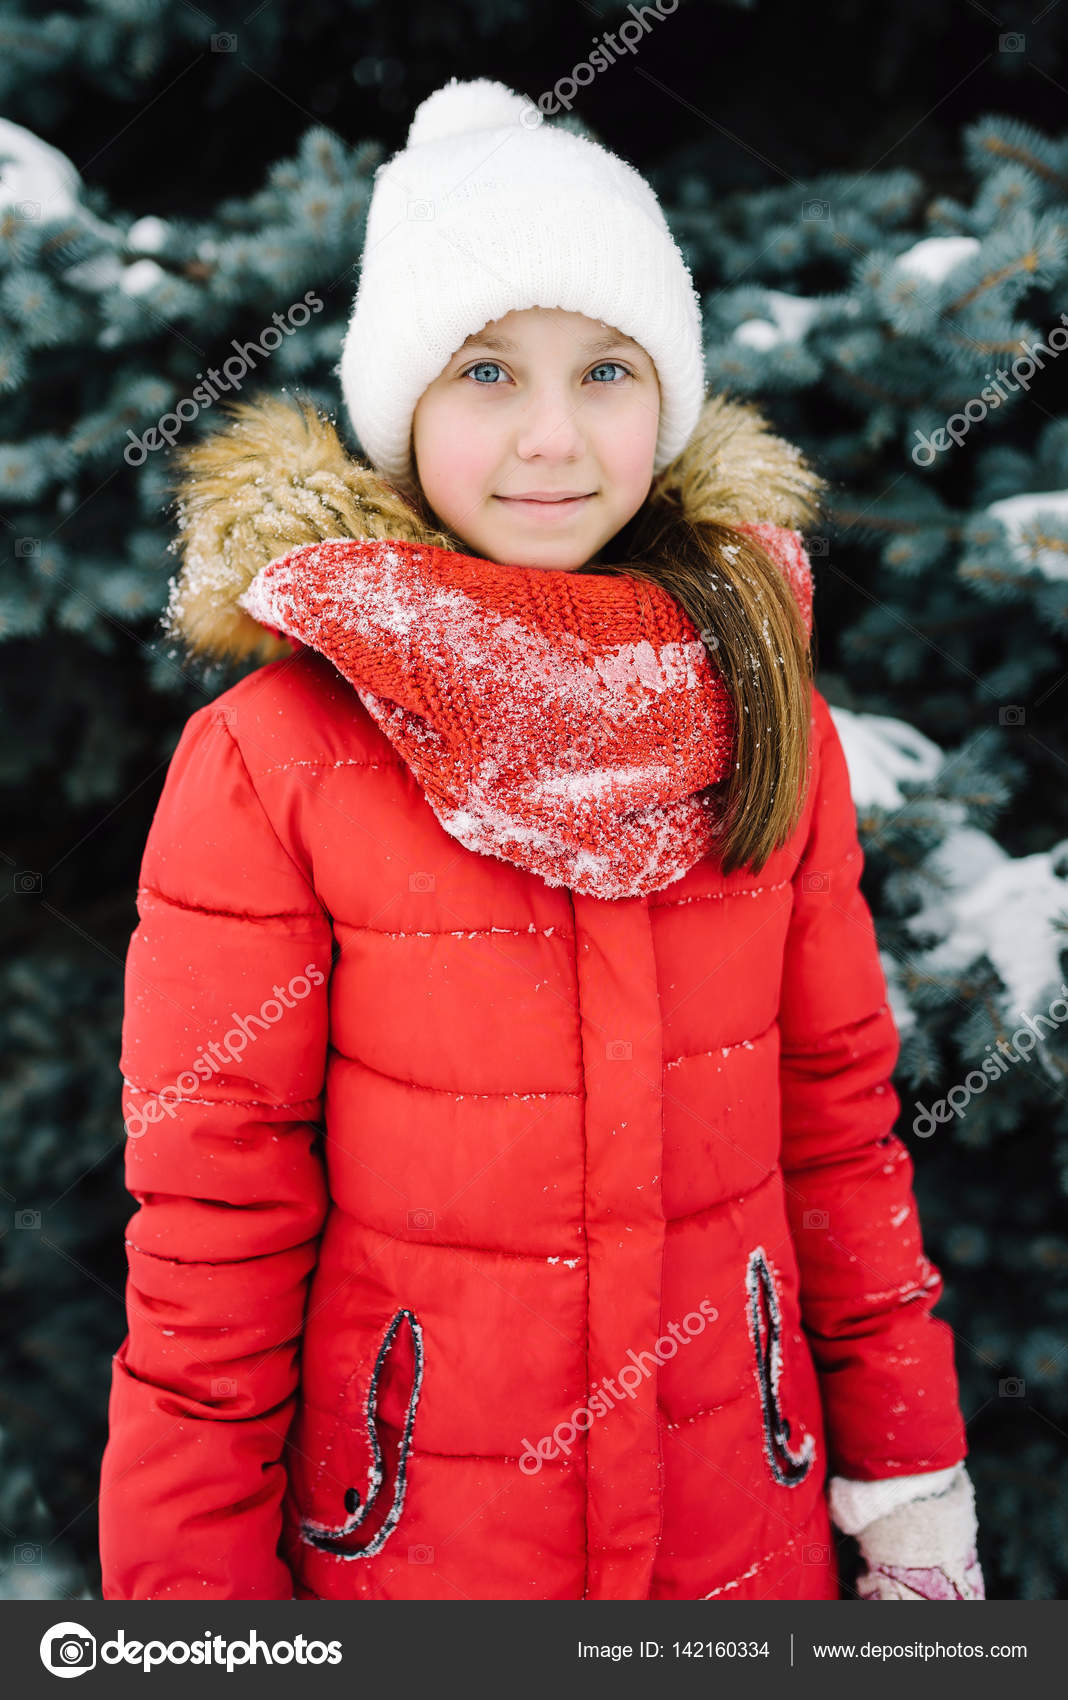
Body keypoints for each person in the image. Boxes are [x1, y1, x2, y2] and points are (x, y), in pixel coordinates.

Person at [97, 76, 984, 1603]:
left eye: (609, 370)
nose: (555, 436)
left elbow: (841, 1134)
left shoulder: (767, 707)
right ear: (405, 408)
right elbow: (212, 1230)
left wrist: (909, 1484)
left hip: (740, 1543)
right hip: (418, 1572)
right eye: (489, 371)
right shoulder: (274, 757)